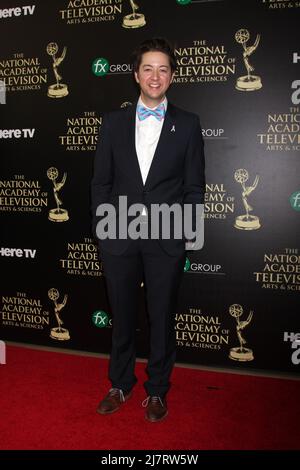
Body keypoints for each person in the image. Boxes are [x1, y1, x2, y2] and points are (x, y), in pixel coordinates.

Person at [91, 37, 205, 422]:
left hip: (166, 238)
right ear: (136, 74)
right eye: (147, 68)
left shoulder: (188, 125)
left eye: (163, 69)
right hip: (119, 236)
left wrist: (187, 235)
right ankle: (120, 383)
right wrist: (103, 229)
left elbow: (194, 187)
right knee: (122, 316)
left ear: (171, 76)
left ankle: (157, 390)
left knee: (161, 317)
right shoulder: (112, 123)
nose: (155, 76)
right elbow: (100, 183)